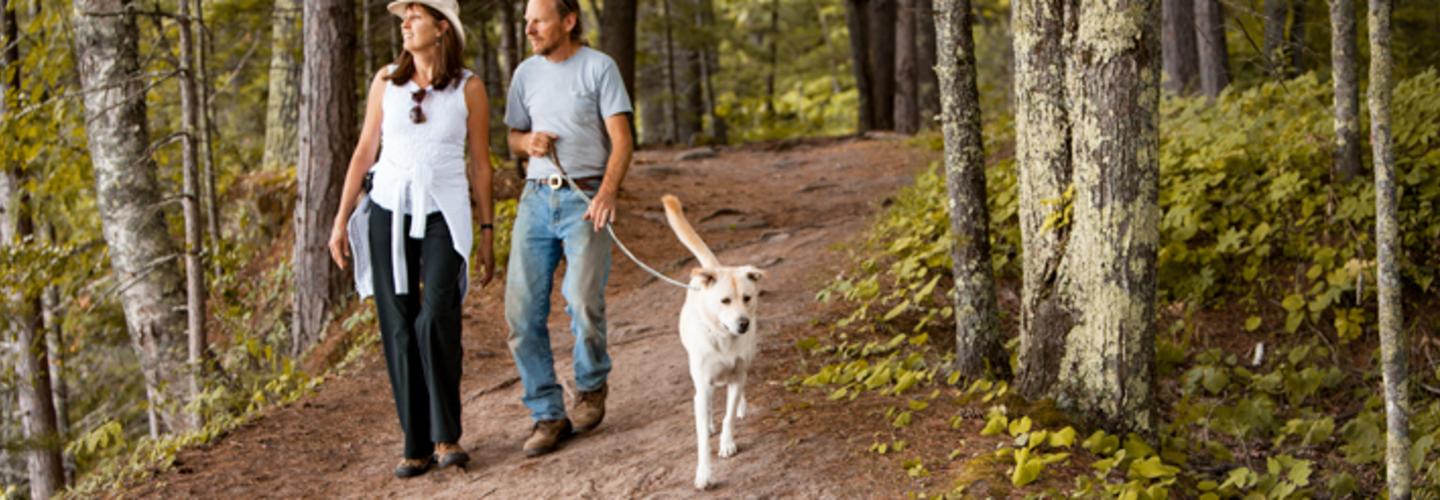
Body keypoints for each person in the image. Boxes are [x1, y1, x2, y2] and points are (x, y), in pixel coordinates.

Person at [327, 0, 495, 478]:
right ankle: (415, 442)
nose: (405, 24)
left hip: (444, 210)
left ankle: (447, 434)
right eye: (404, 18)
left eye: (415, 16)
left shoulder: (470, 87)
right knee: (397, 323)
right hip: (387, 208)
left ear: (442, 28)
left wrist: (487, 231)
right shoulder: (387, 81)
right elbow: (364, 151)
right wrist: (341, 220)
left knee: (436, 315)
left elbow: (481, 164)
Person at [503, 0, 634, 457]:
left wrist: (608, 193)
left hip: (586, 197)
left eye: (538, 21)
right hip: (536, 197)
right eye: (526, 22)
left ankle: (591, 385)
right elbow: (513, 138)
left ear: (569, 21)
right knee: (521, 315)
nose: (530, 30)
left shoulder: (600, 68)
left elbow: (622, 139)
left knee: (582, 299)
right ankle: (547, 414)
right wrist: (528, 142)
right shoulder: (525, 75)